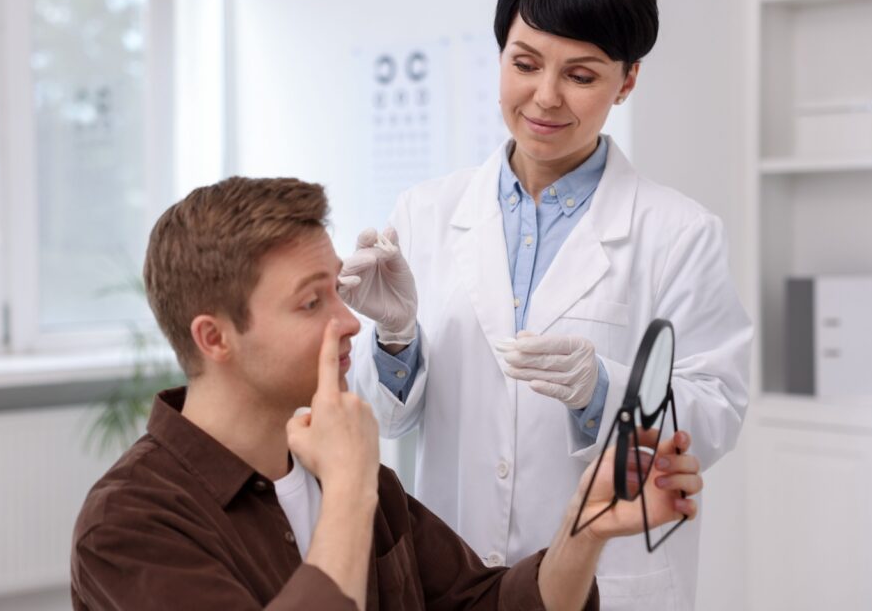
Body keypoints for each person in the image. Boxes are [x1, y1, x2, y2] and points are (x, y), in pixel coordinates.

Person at [69, 176, 704, 611]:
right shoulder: (129, 525)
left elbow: (487, 604)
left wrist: (584, 526)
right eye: (311, 302)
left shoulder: (355, 482)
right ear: (215, 337)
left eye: (338, 293)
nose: (348, 322)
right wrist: (348, 491)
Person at [340, 0, 752, 609]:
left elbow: (717, 411)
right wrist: (393, 338)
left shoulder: (679, 233)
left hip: (608, 582)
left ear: (628, 81)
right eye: (524, 64)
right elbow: (388, 418)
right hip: (455, 566)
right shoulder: (425, 211)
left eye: (582, 76)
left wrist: (603, 391)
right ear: (500, 55)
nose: (545, 97)